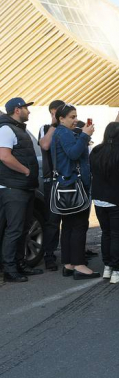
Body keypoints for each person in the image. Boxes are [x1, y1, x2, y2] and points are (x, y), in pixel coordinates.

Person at [53, 103, 99, 279]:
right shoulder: (63, 132)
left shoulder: (60, 132)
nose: (75, 120)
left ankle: (69, 264)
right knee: (79, 225)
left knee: (69, 226)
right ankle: (79, 264)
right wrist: (85, 136)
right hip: (75, 185)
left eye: (76, 116)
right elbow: (73, 154)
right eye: (72, 117)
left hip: (67, 185)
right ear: (61, 118)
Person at [90, 122, 119, 284]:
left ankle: (108, 268)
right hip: (117, 200)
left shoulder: (96, 150)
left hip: (98, 199)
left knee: (107, 233)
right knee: (118, 235)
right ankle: (117, 270)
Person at [0, 98, 42, 283]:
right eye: (26, 108)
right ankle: (10, 269)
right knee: (14, 229)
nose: (28, 111)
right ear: (17, 110)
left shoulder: (17, 129)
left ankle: (20, 263)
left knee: (24, 228)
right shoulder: (6, 129)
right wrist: (25, 170)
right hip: (13, 188)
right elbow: (4, 156)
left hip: (24, 187)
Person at [38, 100, 65, 272]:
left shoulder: (70, 127)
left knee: (71, 219)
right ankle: (49, 255)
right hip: (51, 181)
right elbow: (45, 145)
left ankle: (73, 254)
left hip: (69, 180)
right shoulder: (46, 128)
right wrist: (54, 125)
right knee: (52, 221)